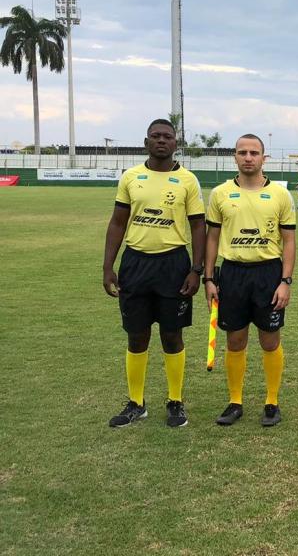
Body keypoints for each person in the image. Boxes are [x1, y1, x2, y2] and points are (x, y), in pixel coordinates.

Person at [103, 119, 206, 428]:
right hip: (135, 264)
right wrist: (108, 266)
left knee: (172, 334)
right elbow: (118, 222)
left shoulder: (188, 180)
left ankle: (175, 401)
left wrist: (196, 269)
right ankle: (136, 403)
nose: (161, 140)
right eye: (156, 136)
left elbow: (199, 225)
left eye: (167, 136)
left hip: (174, 264)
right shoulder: (131, 177)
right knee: (137, 334)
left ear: (176, 143)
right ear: (146, 141)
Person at [204, 134, 296, 427]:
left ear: (263, 158)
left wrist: (286, 281)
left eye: (253, 152)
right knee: (235, 340)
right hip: (232, 273)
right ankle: (235, 402)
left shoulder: (281, 195)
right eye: (242, 152)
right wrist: (208, 278)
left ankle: (272, 401)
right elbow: (212, 237)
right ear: (234, 156)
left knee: (270, 340)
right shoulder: (220, 193)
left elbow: (289, 241)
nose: (248, 157)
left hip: (268, 273)